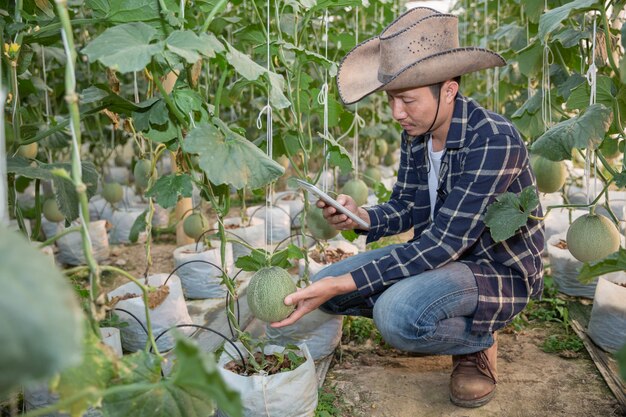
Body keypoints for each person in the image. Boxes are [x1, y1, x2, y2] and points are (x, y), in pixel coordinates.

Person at [271, 7, 544, 408]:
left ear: (448, 91)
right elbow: (405, 206)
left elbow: (443, 244)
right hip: (438, 256)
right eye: (392, 101)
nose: (398, 113)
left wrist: (359, 281)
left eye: (408, 100)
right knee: (328, 286)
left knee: (396, 316)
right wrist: (361, 217)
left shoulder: (493, 138)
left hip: (493, 269)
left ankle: (476, 343)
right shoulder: (418, 132)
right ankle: (431, 305)